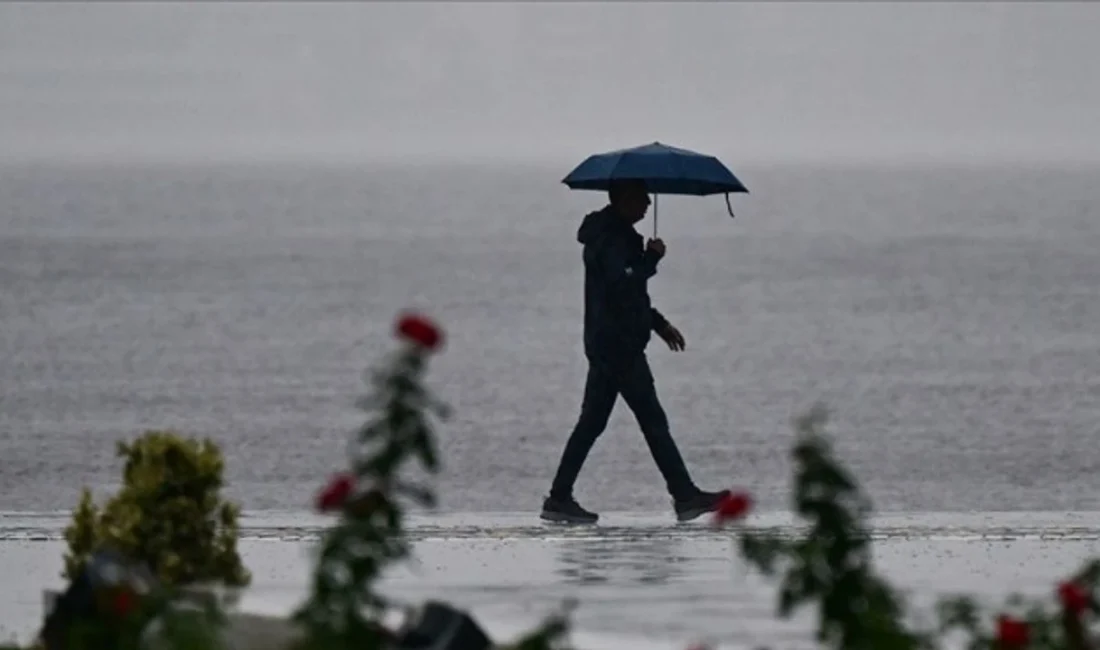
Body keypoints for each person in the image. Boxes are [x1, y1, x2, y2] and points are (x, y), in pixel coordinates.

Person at [541, 179, 730, 524]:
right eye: (640, 198)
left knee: (592, 424)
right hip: (618, 348)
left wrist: (658, 323)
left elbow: (630, 296)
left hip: (609, 344)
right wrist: (651, 259)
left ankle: (558, 498)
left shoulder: (613, 234)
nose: (646, 204)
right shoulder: (612, 238)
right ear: (623, 200)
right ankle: (685, 496)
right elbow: (622, 283)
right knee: (653, 422)